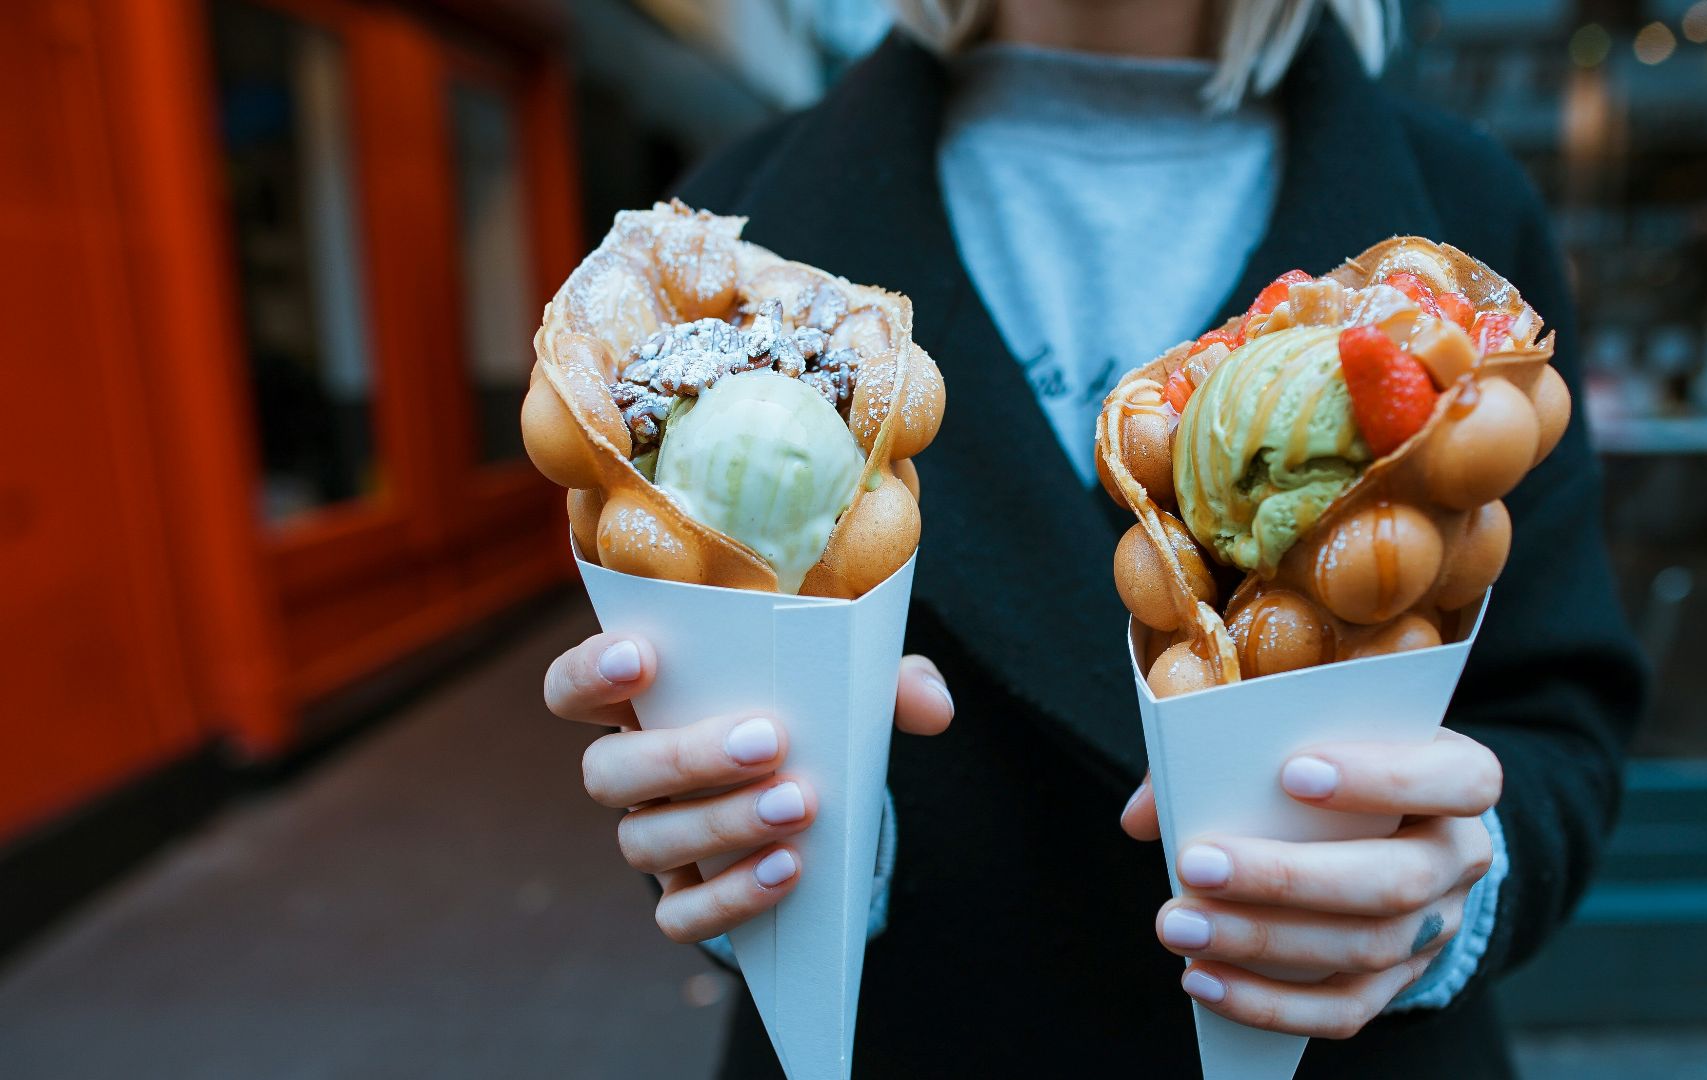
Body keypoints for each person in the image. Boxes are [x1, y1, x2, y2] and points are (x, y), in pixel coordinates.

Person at [540, 1, 1646, 1075]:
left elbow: (1557, 710)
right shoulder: (724, 229)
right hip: (914, 1036)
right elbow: (689, 722)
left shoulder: (1462, 220)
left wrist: (1452, 888)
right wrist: (760, 846)